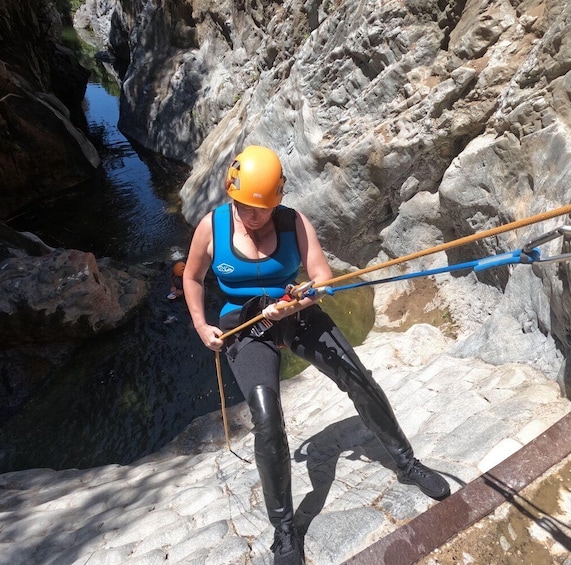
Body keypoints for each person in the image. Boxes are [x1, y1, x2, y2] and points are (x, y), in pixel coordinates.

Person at [183, 145, 450, 565]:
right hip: (244, 322)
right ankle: (285, 530)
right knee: (267, 418)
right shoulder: (211, 228)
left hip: (294, 309)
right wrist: (201, 325)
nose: (252, 218)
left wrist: (301, 299)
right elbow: (193, 276)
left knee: (358, 378)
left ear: (278, 199)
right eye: (244, 208)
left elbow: (322, 276)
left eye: (261, 210)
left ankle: (407, 463)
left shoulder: (292, 222)